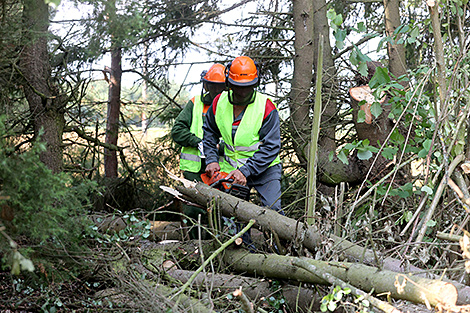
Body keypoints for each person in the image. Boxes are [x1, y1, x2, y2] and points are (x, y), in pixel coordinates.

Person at [203, 56, 283, 246]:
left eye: (248, 86)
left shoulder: (266, 107)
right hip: (232, 170)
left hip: (265, 169)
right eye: (239, 87)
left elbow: (271, 146)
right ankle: (243, 256)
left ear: (255, 83)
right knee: (233, 216)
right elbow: (209, 133)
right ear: (229, 83)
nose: (243, 91)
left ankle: (283, 254)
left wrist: (246, 171)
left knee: (273, 213)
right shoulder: (218, 103)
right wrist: (212, 159)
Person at [171, 63, 227, 238]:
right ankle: (196, 247)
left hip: (220, 167)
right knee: (194, 211)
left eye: (219, 86)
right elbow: (177, 131)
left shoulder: (231, 106)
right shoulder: (195, 104)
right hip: (194, 169)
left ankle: (218, 246)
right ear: (206, 85)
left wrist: (220, 147)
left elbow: (240, 138)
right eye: (212, 86)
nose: (216, 90)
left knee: (219, 210)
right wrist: (197, 142)